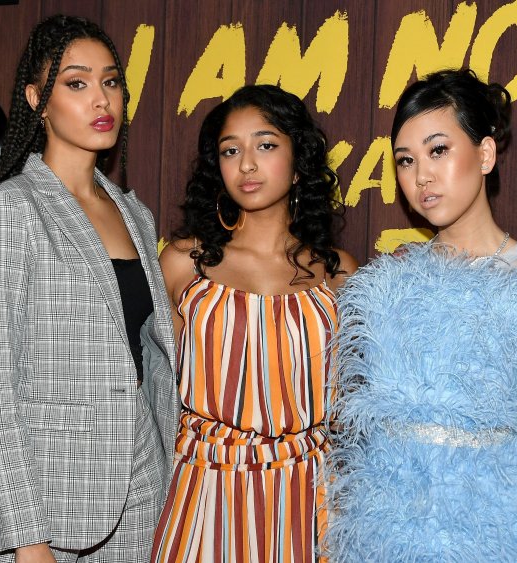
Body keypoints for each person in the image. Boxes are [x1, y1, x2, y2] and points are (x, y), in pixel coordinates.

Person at [323, 69, 517, 562]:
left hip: (496, 539)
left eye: (438, 151)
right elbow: (355, 437)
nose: (421, 176)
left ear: (486, 154)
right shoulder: (386, 285)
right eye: (405, 161)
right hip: (384, 539)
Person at [0, 15, 178, 563]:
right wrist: (27, 542)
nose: (100, 99)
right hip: (42, 518)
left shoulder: (137, 215)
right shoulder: (6, 210)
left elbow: (148, 364)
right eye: (76, 83)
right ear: (36, 99)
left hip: (140, 503)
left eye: (111, 82)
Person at [151, 84, 357, 562]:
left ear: (299, 158)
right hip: (204, 491)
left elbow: (352, 407)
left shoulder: (339, 272)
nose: (247, 164)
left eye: (266, 145)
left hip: (308, 499)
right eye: (230, 150)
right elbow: (152, 393)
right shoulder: (185, 263)